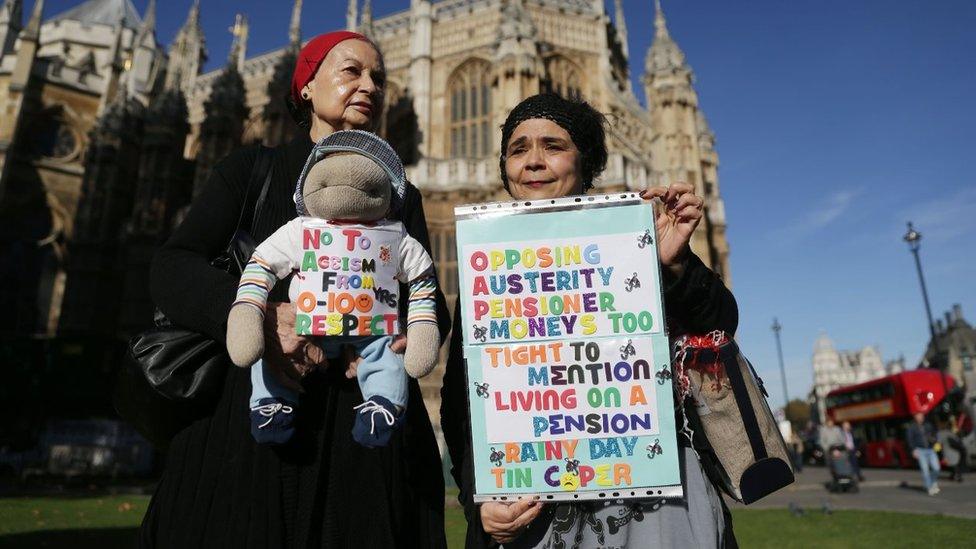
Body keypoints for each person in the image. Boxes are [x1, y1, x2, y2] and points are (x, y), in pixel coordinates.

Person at [140, 31, 451, 548]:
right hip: (246, 435)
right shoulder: (251, 171)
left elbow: (429, 299)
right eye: (351, 71)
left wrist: (402, 334)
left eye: (378, 77)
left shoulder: (401, 196)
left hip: (363, 442)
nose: (369, 85)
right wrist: (253, 316)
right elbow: (172, 265)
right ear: (305, 86)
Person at [440, 93, 739, 548]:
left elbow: (720, 325)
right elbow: (462, 406)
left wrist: (675, 265)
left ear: (586, 162)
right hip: (534, 508)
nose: (534, 162)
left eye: (553, 147)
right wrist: (478, 501)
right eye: (518, 149)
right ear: (504, 167)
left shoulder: (632, 241)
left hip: (651, 508)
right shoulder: (489, 265)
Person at [906, 412, 941, 496]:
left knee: (937, 468)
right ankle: (929, 488)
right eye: (918, 416)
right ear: (915, 417)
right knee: (925, 471)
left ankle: (933, 482)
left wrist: (935, 440)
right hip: (920, 451)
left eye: (922, 416)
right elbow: (910, 440)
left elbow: (935, 434)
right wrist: (913, 450)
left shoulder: (928, 425)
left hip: (931, 449)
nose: (921, 417)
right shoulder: (911, 427)